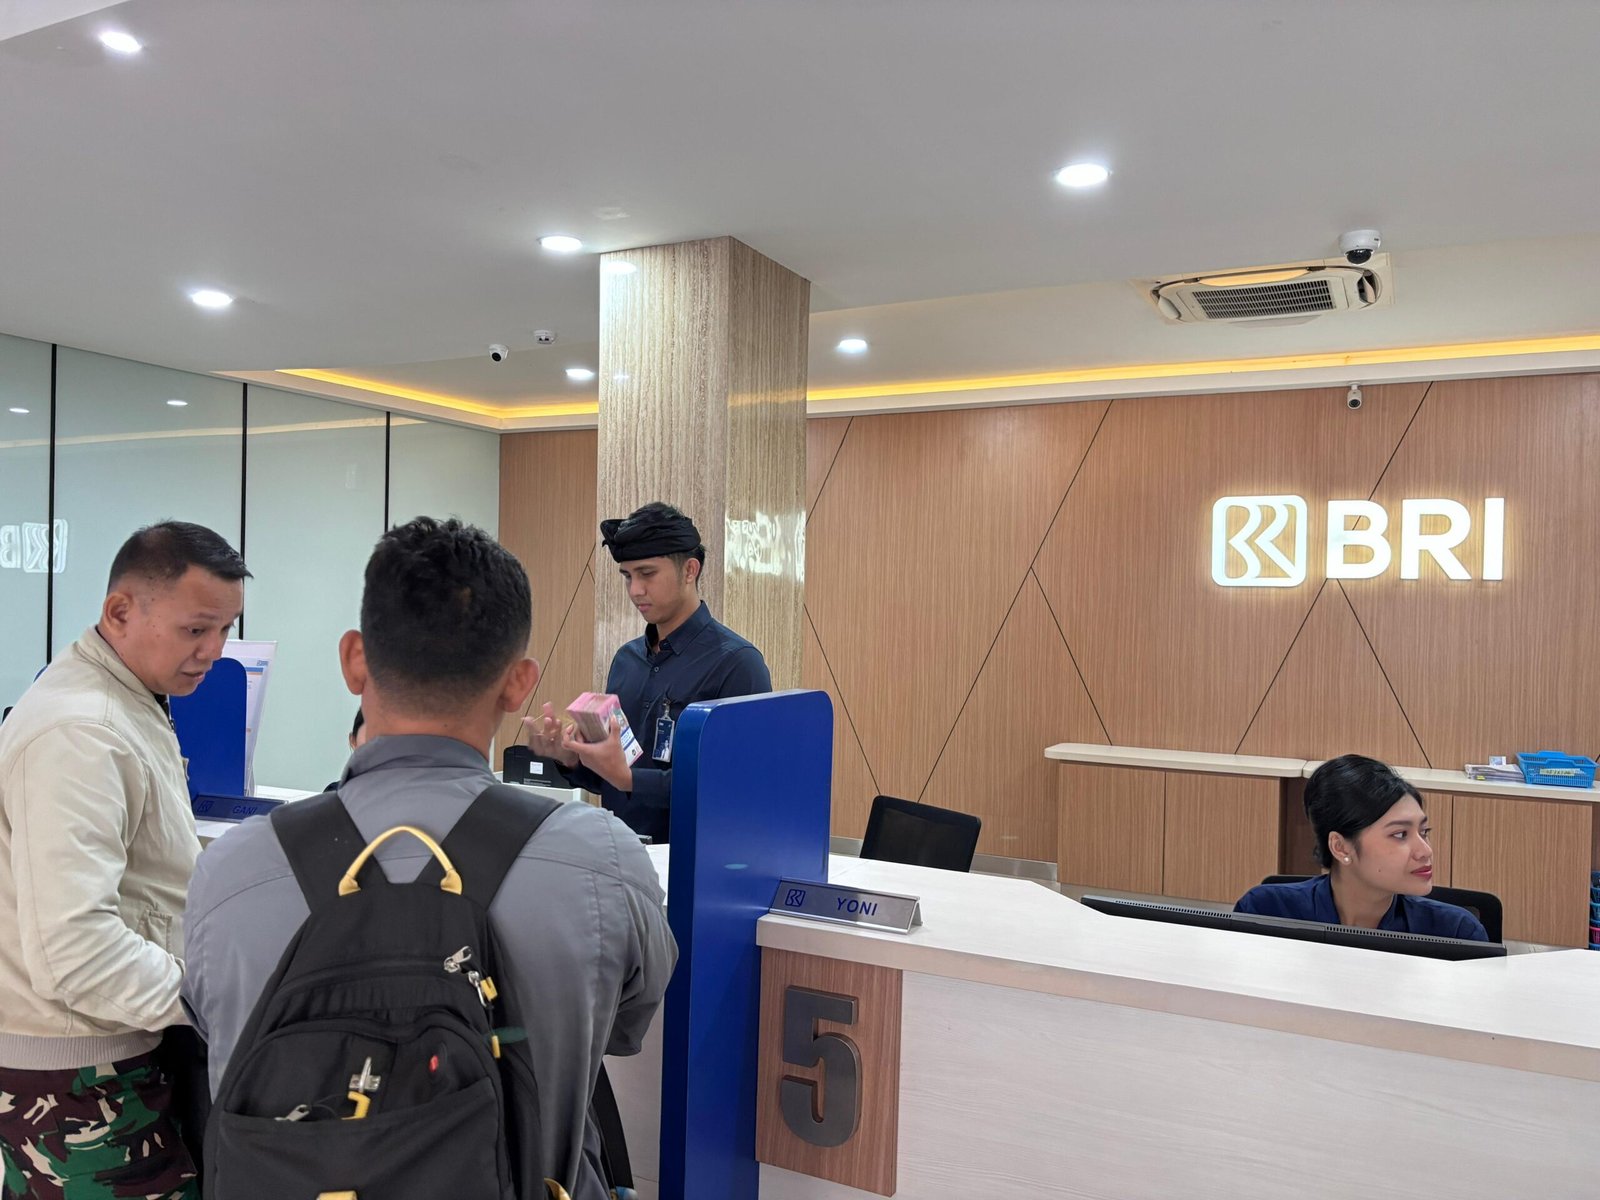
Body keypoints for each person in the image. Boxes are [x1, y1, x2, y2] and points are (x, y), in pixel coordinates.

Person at [182, 517, 675, 1200]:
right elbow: (622, 1028)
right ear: (518, 685)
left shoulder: (231, 872)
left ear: (354, 660)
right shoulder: (604, 864)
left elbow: (216, 1037)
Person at [0, 520, 249, 1198]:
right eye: (195, 629)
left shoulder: (127, 700)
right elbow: (74, 950)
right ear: (119, 611)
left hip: (104, 1053)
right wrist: (221, 998)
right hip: (78, 1075)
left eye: (225, 629)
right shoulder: (82, 732)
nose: (214, 650)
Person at [524, 502, 771, 843]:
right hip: (619, 851)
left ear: (690, 570)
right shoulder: (626, 660)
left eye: (647, 574)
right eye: (627, 576)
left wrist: (629, 779)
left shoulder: (737, 664)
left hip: (693, 860)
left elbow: (736, 786)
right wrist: (572, 760)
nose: (635, 590)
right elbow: (612, 777)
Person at [1235, 754, 1489, 941]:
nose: (1425, 851)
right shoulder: (1265, 912)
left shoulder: (1455, 932)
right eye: (1400, 834)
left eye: (1424, 832)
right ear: (1341, 847)